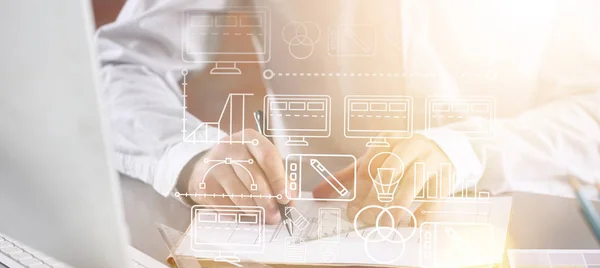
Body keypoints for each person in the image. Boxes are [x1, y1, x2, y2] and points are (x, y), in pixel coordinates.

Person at [97, 0, 600, 226]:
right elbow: (123, 62)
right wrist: (191, 154)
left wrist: (466, 149)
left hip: (518, 239)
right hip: (297, 239)